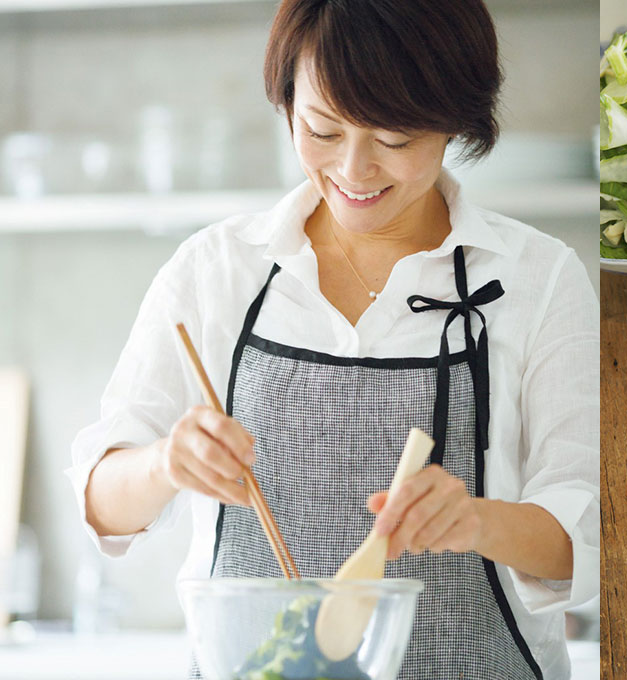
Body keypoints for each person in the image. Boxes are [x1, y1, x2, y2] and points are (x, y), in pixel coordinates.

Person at [65, 1, 598, 678]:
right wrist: (165, 463)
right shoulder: (215, 270)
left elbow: (590, 534)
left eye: (395, 140)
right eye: (321, 129)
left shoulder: (536, 278)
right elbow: (101, 504)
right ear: (288, 102)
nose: (354, 169)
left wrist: (477, 521)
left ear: (457, 119)